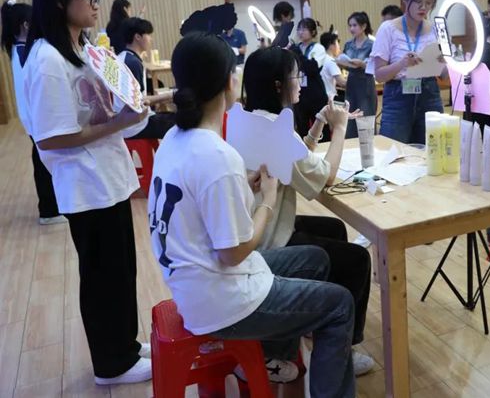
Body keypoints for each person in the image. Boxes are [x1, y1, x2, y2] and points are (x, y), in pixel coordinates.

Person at [151, 34, 356, 396]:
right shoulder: (216, 156)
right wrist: (267, 202)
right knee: (340, 305)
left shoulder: (174, 140)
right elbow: (234, 252)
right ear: (228, 83)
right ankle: (282, 360)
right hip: (223, 299)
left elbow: (201, 201)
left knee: (317, 259)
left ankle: (274, 358)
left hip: (193, 285)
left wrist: (244, 184)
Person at [24, 0, 151, 385]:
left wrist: (129, 106)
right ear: (60, 1)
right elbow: (51, 138)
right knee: (102, 278)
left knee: (121, 270)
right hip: (85, 185)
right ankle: (111, 364)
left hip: (108, 179)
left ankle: (125, 345)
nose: (96, 5)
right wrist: (118, 123)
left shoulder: (82, 48)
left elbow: (102, 110)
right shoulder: (47, 59)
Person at [242, 47, 374, 377]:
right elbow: (325, 176)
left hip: (263, 225)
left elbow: (299, 158)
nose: (300, 83)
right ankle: (343, 349)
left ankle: (317, 322)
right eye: (295, 76)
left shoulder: (254, 119)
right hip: (269, 238)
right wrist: (340, 128)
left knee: (334, 230)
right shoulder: (276, 130)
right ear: (278, 85)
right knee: (358, 260)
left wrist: (318, 124)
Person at [1, 0, 64, 224]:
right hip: (36, 119)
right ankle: (49, 210)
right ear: (26, 25)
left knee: (42, 161)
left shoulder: (20, 50)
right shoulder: (26, 52)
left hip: (34, 119)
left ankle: (50, 208)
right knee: (44, 163)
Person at [372, 0, 445, 144]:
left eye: (429, 2)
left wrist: (453, 63)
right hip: (398, 96)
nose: (423, 7)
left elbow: (444, 75)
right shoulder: (388, 29)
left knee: (432, 150)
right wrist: (401, 64)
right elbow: (379, 75)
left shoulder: (437, 29)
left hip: (429, 94)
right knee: (393, 150)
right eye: (418, 1)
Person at [117, 17, 176, 139]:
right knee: (183, 121)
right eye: (148, 35)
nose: (151, 39)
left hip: (123, 122)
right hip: (135, 125)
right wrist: (171, 95)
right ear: (138, 37)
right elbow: (140, 101)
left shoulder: (122, 57)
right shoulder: (133, 63)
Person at [339, 12, 376, 138]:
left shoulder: (372, 44)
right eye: (350, 25)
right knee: (350, 116)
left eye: (354, 25)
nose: (351, 28)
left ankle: (368, 145)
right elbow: (345, 62)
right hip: (351, 82)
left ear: (364, 26)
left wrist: (362, 64)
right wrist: (340, 63)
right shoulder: (348, 44)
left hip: (365, 82)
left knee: (365, 117)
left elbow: (375, 66)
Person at [319, 28, 346, 100]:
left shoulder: (319, 58)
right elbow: (342, 83)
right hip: (329, 98)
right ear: (331, 45)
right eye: (337, 43)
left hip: (319, 95)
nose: (339, 47)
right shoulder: (331, 61)